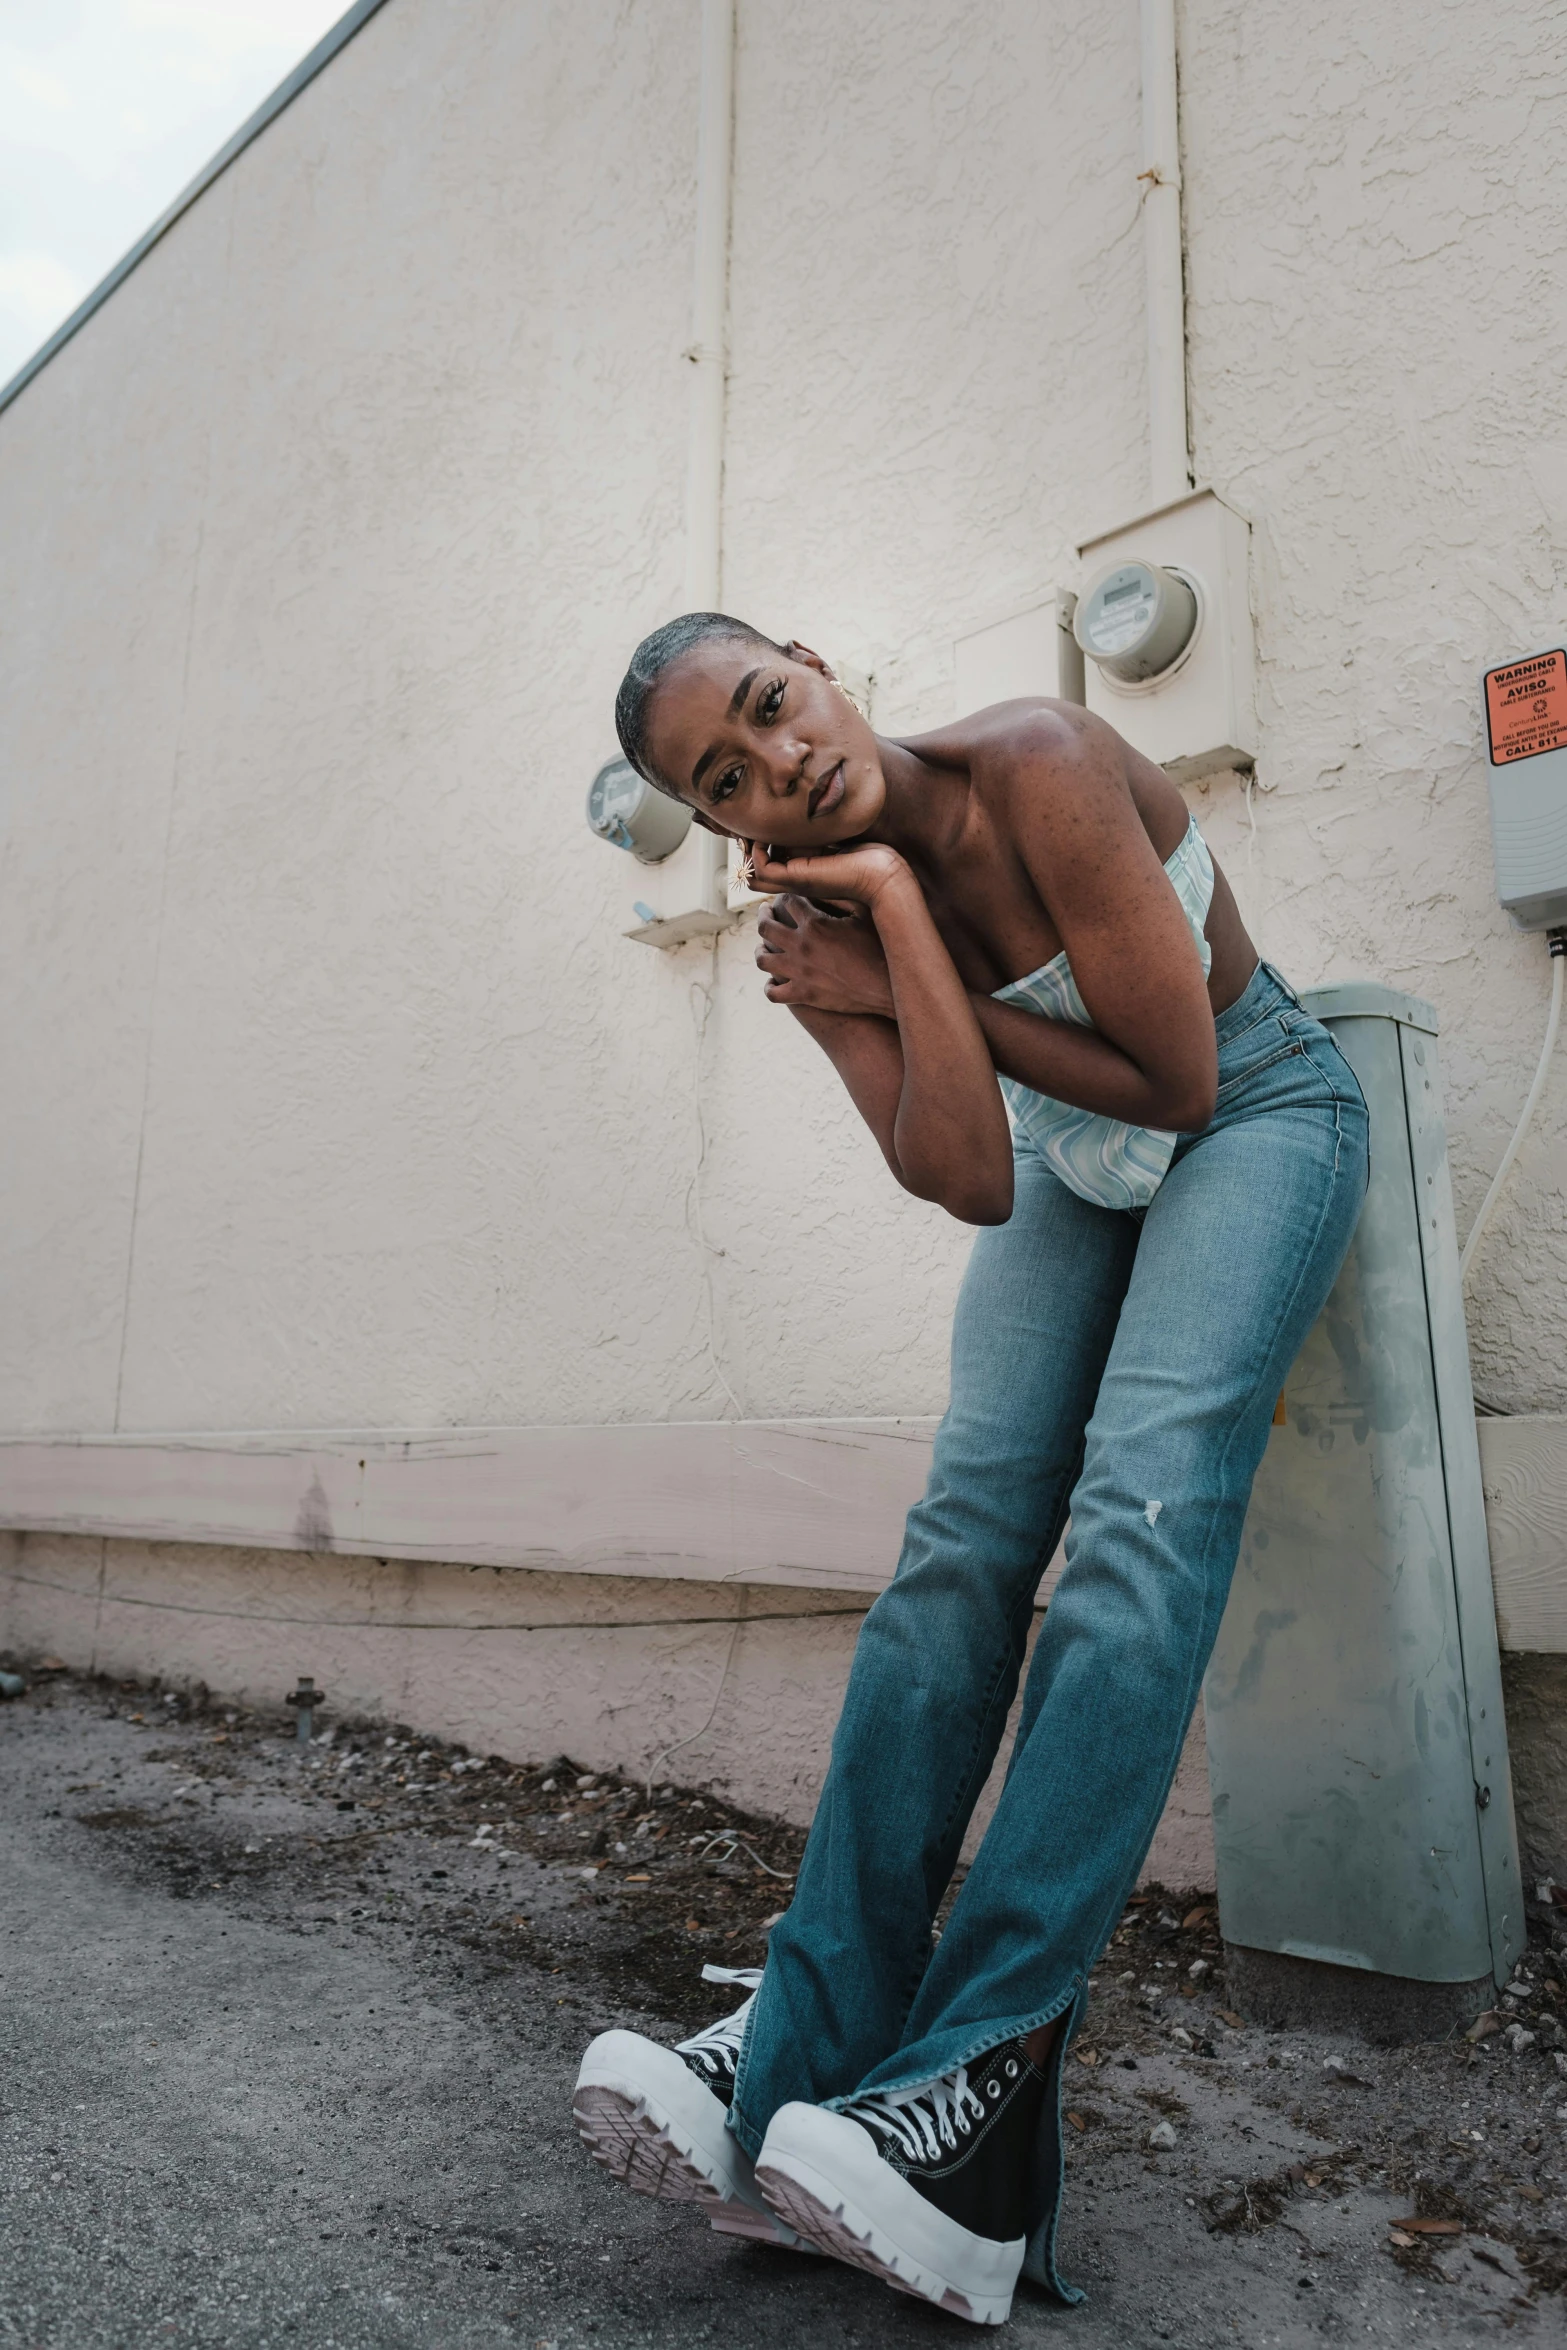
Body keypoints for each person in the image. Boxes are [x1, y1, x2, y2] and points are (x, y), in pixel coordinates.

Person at [573, 613, 1368, 2325]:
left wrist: (910, 934)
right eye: (726, 777)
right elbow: (971, 1181)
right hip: (1073, 1172)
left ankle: (975, 2083)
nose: (773, 760)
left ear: (812, 658)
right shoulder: (812, 923)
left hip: (1259, 1114)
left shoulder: (1043, 764)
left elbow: (1177, 1078)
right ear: (722, 826)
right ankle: (801, 2051)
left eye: (770, 710)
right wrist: (880, 931)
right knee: (959, 1542)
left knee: (1136, 1525)